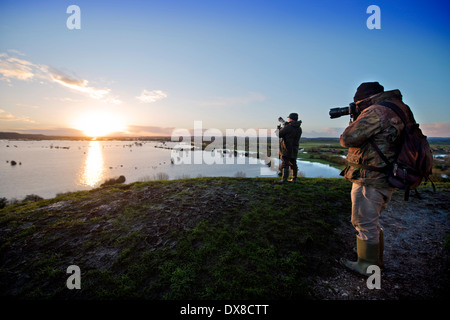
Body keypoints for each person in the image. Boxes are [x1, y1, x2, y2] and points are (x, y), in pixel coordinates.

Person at [339, 82, 412, 276]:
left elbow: (347, 138)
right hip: (387, 174)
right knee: (372, 220)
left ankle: (367, 266)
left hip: (371, 177)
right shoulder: (397, 108)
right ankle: (374, 258)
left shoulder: (376, 111)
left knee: (363, 220)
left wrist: (356, 117)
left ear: (366, 99)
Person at [277, 113, 302, 184]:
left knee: (285, 164)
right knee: (293, 163)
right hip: (294, 149)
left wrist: (279, 129)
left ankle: (284, 180)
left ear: (290, 119)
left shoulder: (288, 127)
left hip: (286, 149)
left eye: (289, 118)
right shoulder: (299, 128)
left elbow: (278, 135)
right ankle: (294, 179)